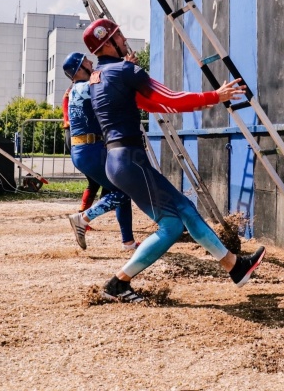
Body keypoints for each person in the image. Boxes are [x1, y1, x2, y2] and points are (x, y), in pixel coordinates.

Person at [83, 18, 266, 302]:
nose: (124, 40)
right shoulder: (125, 70)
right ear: (107, 43)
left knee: (171, 225)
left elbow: (147, 103)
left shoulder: (98, 77)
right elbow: (170, 99)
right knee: (183, 207)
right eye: (119, 37)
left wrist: (131, 76)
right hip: (130, 160)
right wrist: (215, 96)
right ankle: (234, 266)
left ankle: (118, 283)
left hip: (116, 161)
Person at [62, 52, 137, 251]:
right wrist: (126, 67)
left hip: (90, 149)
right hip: (89, 150)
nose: (91, 62)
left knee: (119, 191)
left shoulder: (79, 89)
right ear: (79, 69)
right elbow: (109, 86)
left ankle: (128, 242)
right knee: (123, 190)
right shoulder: (82, 88)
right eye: (86, 61)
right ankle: (83, 218)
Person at [63, 83, 101, 214]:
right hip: (80, 138)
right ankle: (86, 215)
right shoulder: (81, 89)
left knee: (95, 181)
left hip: (73, 136)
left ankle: (84, 215)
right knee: (105, 181)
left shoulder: (72, 89)